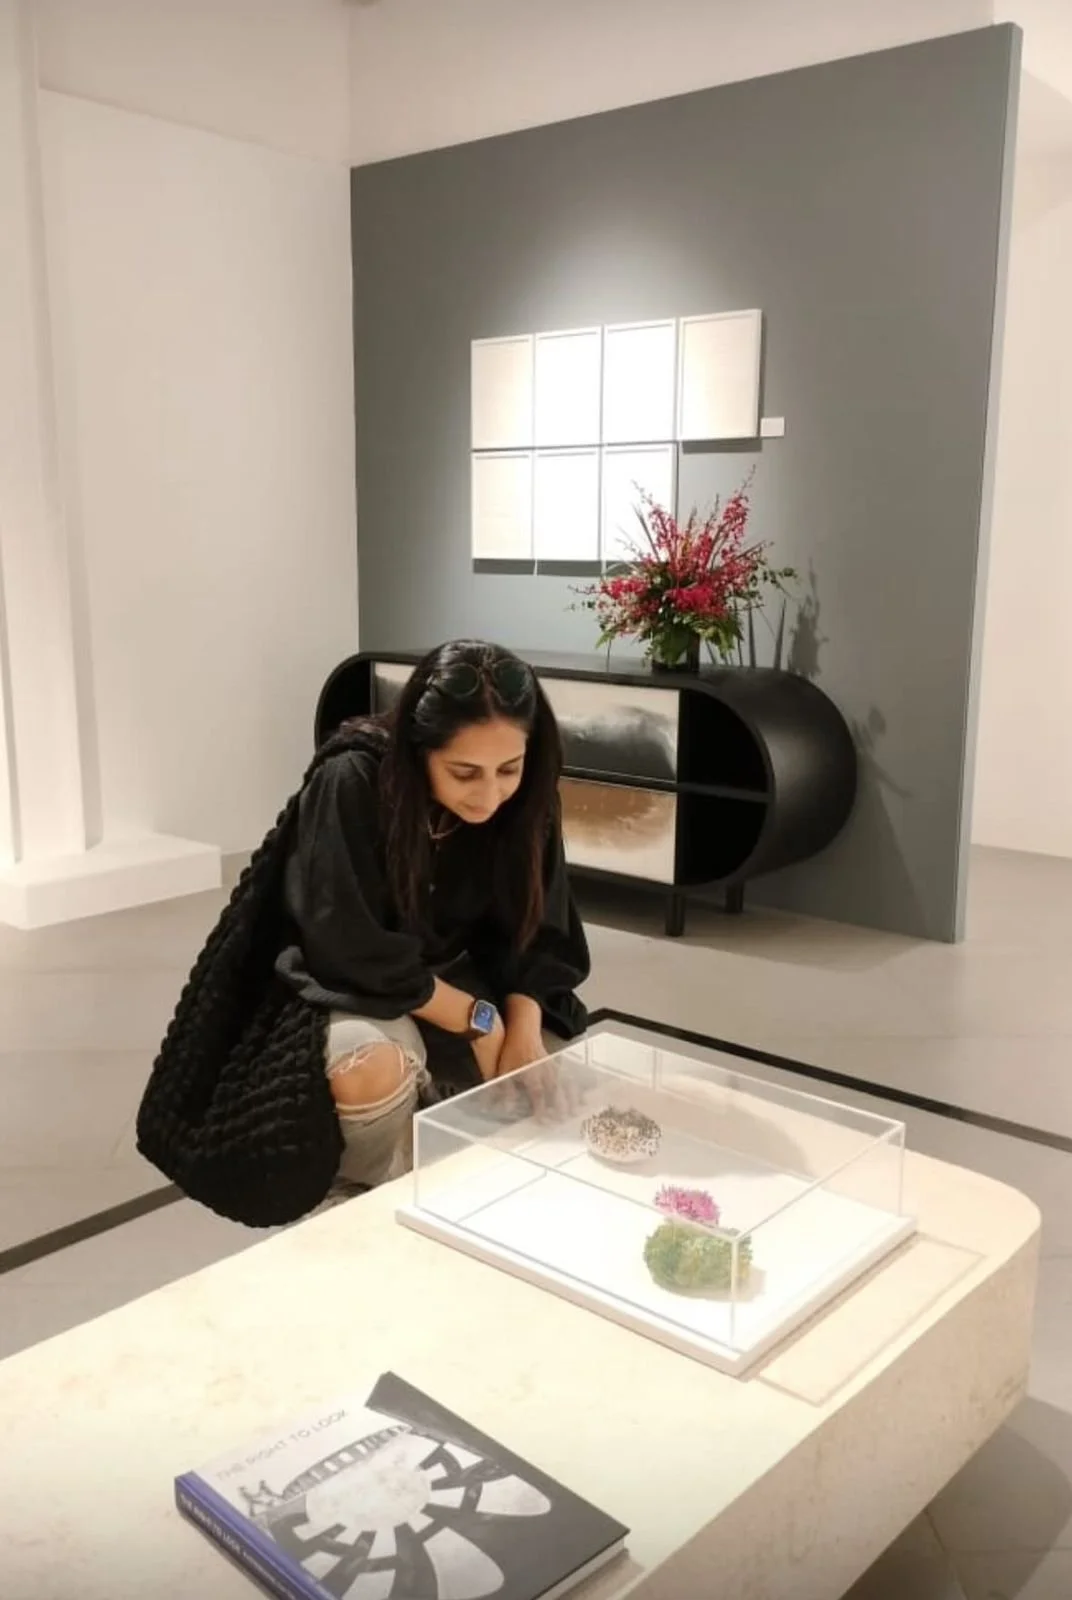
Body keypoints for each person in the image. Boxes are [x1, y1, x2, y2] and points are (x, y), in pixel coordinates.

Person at [275, 639, 590, 1201]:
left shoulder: (527, 797)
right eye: (464, 772)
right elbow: (347, 943)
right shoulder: (352, 780)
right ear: (418, 750)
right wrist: (477, 1019)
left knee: (545, 1081)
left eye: (508, 768)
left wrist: (519, 1024)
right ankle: (364, 1193)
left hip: (459, 976)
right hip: (351, 983)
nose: (490, 794)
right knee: (369, 1071)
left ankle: (453, 1176)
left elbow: (541, 928)